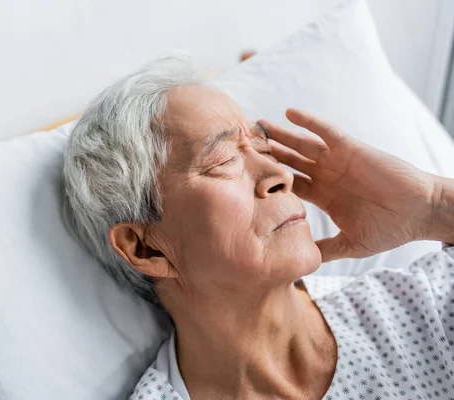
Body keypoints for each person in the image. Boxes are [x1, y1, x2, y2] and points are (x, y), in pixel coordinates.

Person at [62, 57, 454, 399]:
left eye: (264, 149)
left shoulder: (419, 310)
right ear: (144, 248)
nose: (280, 174)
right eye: (223, 159)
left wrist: (435, 207)